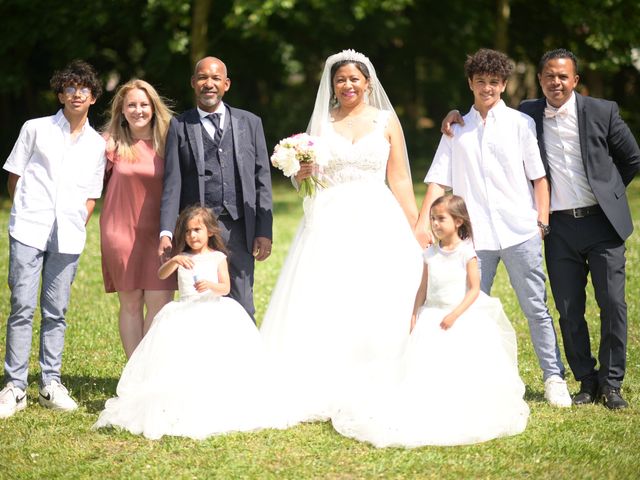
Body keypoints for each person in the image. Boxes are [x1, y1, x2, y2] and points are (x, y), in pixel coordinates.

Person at [442, 48, 640, 409]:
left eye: (563, 76)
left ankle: (612, 384)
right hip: (560, 228)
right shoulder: (529, 114)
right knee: (568, 307)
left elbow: (631, 157)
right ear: (540, 80)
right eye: (549, 76)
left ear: (575, 80)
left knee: (612, 304)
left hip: (601, 223)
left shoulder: (601, 110)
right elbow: (484, 108)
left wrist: (608, 193)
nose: (556, 82)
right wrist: (455, 114)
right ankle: (585, 381)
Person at [260, 49, 423, 421]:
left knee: (377, 293)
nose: (347, 85)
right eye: (340, 79)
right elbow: (311, 179)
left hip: (376, 216)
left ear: (367, 83)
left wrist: (416, 224)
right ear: (332, 85)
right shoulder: (321, 123)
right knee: (328, 295)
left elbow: (399, 178)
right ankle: (325, 380)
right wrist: (300, 176)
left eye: (354, 79)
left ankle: (381, 374)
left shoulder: (385, 121)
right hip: (329, 219)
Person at [417, 49, 571, 407]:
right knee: (466, 307)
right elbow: (439, 180)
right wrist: (424, 223)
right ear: (470, 83)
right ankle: (468, 379)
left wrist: (541, 224)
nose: (487, 87)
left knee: (535, 307)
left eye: (494, 82)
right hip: (475, 240)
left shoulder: (520, 124)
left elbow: (539, 177)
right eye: (481, 81)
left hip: (520, 232)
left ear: (504, 85)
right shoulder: (456, 128)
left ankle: (553, 378)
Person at [331, 195, 529, 447]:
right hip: (431, 317)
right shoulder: (429, 254)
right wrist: (415, 313)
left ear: (458, 221)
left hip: (459, 317)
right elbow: (422, 289)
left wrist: (455, 315)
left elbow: (474, 290)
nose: (435, 224)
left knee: (459, 367)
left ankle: (460, 403)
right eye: (432, 219)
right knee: (423, 365)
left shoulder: (466, 253)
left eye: (441, 219)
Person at [94, 206, 300, 439]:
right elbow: (162, 274)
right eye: (189, 232)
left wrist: (210, 286)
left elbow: (225, 288)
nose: (193, 236)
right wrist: (175, 261)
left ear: (210, 231)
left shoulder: (218, 257)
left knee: (209, 357)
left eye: (197, 230)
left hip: (212, 312)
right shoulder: (182, 259)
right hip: (183, 313)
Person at [0, 60, 106, 419]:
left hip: (69, 235)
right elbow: (14, 176)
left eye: (84, 89)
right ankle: (14, 386)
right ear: (60, 94)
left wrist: (76, 219)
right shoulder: (36, 129)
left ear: (93, 97)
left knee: (56, 312)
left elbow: (93, 193)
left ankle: (50, 383)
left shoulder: (96, 144)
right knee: (22, 308)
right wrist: (28, 211)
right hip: (29, 229)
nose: (77, 94)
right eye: (70, 88)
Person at [158, 56, 273, 321]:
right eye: (202, 78)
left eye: (215, 78)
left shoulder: (250, 123)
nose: (208, 84)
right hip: (197, 234)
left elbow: (261, 179)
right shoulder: (179, 125)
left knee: (243, 301)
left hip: (240, 227)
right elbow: (172, 183)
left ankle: (244, 360)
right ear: (193, 83)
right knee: (201, 303)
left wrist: (264, 231)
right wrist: (166, 231)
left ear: (226, 84)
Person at [100, 79, 176, 358]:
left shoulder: (170, 141)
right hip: (121, 233)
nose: (138, 110)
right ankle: (133, 377)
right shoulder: (108, 145)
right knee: (131, 304)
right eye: (131, 104)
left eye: (144, 104)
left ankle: (150, 373)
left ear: (154, 108)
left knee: (160, 306)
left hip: (161, 234)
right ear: (121, 110)